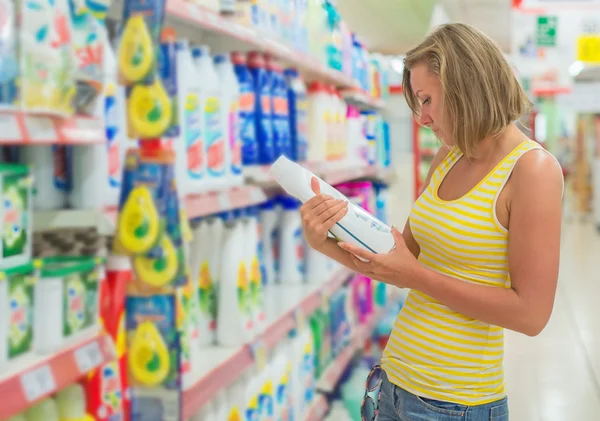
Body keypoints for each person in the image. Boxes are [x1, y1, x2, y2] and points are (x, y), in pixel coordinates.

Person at [299, 23, 563, 421]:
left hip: (455, 404)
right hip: (392, 384)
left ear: (466, 88)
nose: (422, 118)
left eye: (426, 100)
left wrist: (418, 274)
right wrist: (327, 243)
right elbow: (400, 265)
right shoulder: (448, 157)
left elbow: (531, 315)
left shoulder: (532, 170)